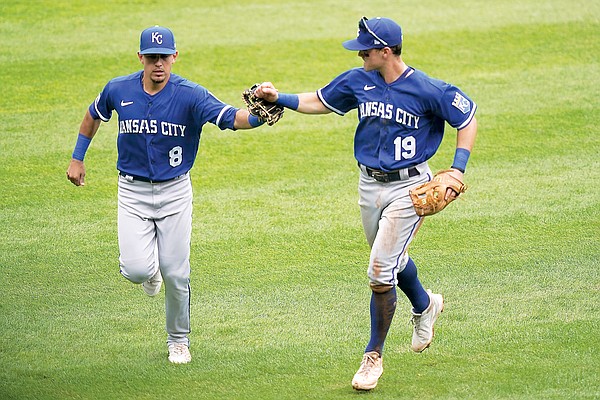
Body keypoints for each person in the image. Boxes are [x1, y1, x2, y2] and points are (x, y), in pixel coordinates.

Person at [255, 16, 477, 390]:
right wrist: (281, 99)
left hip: (409, 189)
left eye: (365, 48)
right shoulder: (358, 80)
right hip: (368, 185)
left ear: (385, 52)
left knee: (378, 271)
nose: (359, 53)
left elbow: (466, 116)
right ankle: (425, 304)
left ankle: (372, 357)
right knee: (393, 259)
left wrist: (457, 168)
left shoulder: (427, 89)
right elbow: (320, 101)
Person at [66, 26, 271, 364]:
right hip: (132, 191)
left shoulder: (190, 94)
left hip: (175, 191)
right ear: (141, 58)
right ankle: (151, 271)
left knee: (177, 272)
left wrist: (258, 118)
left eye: (164, 56)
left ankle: (178, 340)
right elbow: (93, 114)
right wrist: (78, 156)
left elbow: (231, 118)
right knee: (135, 271)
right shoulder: (119, 89)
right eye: (151, 57)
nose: (158, 63)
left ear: (175, 56)